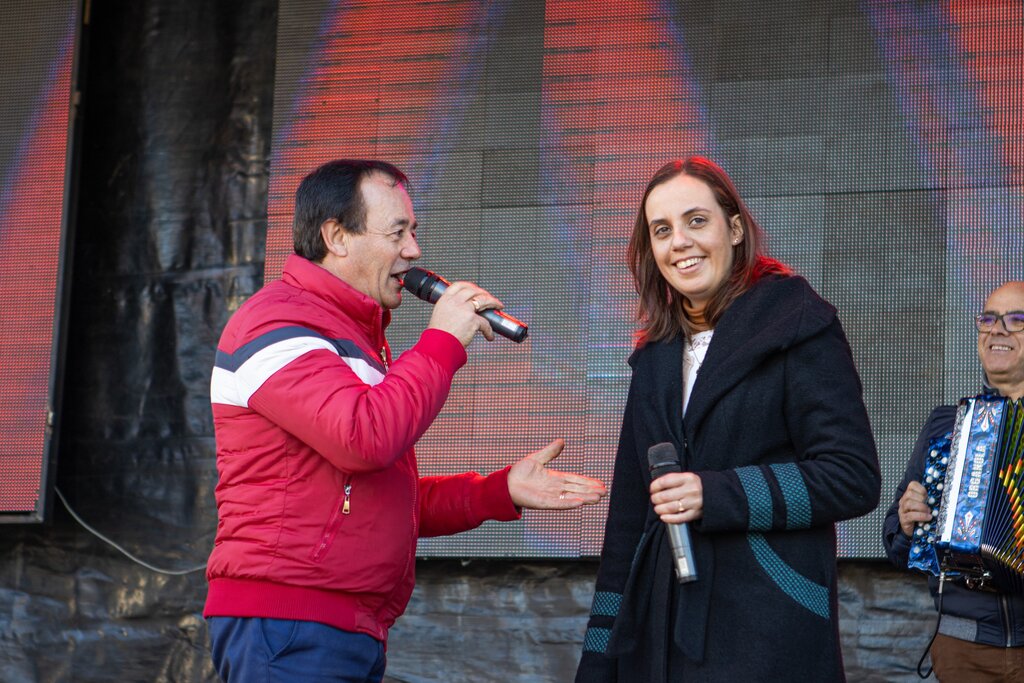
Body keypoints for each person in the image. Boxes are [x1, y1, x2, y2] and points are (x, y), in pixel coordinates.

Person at [203, 159, 607, 682]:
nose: (414, 251)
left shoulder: (354, 336)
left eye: (413, 232)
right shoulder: (276, 320)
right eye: (399, 232)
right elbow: (364, 440)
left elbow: (378, 500)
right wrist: (441, 342)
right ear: (336, 237)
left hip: (342, 624)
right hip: (290, 621)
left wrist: (499, 491)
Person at [574, 157, 881, 682]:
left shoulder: (798, 324)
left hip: (765, 634)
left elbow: (852, 477)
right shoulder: (654, 356)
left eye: (697, 221)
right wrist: (598, 661)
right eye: (662, 230)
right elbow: (629, 518)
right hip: (659, 638)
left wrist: (717, 496)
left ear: (734, 228)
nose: (680, 243)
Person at [883, 281, 1024, 681]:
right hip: (963, 649)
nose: (997, 329)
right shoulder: (946, 426)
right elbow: (895, 541)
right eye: (988, 319)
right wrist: (908, 526)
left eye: (1016, 320)